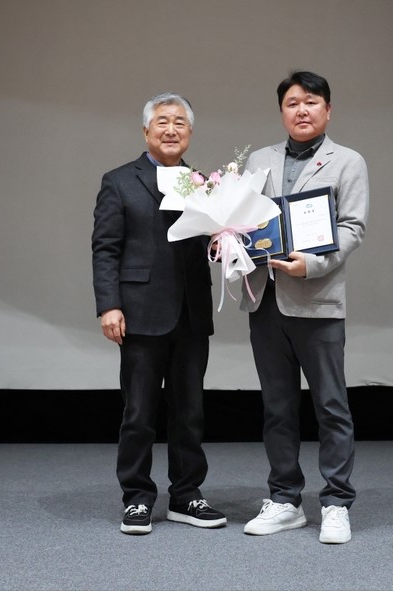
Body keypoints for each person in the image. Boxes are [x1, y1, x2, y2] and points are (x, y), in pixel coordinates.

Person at [240, 71, 369, 544]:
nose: (301, 110)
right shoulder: (259, 160)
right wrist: (229, 243)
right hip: (266, 299)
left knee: (331, 406)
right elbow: (241, 220)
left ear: (328, 110)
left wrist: (311, 265)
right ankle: (285, 499)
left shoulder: (348, 161)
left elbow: (352, 227)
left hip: (318, 300)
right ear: (282, 112)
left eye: (311, 102)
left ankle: (336, 502)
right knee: (277, 407)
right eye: (292, 102)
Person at [91, 92, 226, 535]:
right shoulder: (119, 181)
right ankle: (137, 497)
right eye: (163, 122)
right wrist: (109, 305)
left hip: (191, 313)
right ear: (146, 131)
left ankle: (187, 495)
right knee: (139, 412)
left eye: (180, 123)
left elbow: (206, 243)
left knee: (190, 412)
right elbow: (105, 248)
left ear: (190, 132)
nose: (171, 130)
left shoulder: (202, 183)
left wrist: (226, 242)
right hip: (140, 313)